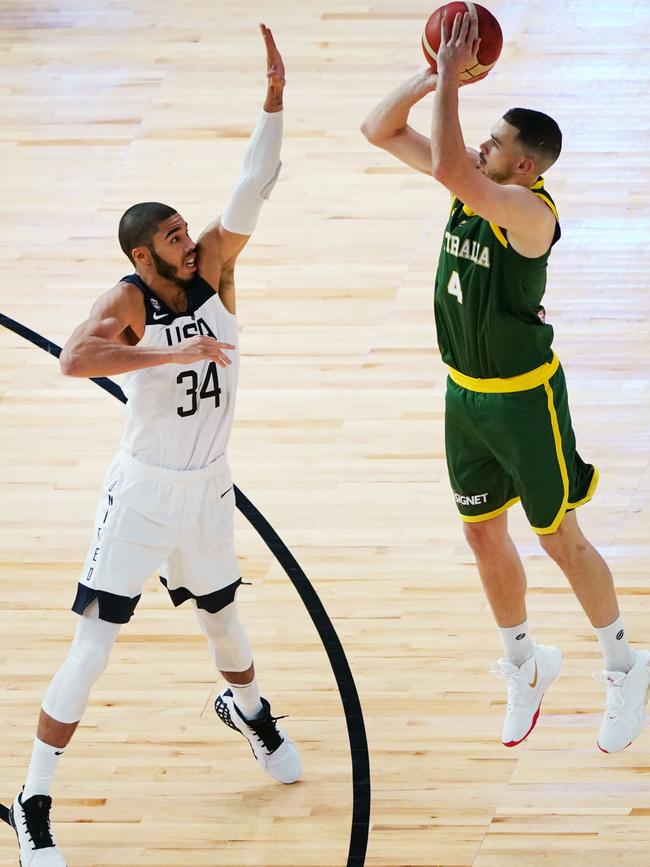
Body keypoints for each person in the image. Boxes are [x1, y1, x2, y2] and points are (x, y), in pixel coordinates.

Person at [9, 24, 301, 867]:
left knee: (229, 631)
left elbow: (253, 185)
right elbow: (74, 358)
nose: (189, 237)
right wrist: (173, 351)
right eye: (173, 235)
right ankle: (34, 800)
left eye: (185, 228)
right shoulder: (130, 299)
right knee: (92, 649)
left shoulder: (214, 269)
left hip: (207, 486)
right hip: (140, 493)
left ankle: (246, 712)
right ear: (142, 255)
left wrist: (273, 101)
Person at [361, 12, 649, 753]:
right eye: (484, 136)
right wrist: (434, 75)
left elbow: (453, 163)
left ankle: (624, 663)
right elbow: (378, 129)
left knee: (560, 538)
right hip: (464, 395)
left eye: (498, 143)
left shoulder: (524, 213)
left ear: (527, 167)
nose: (483, 145)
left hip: (525, 398)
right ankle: (525, 662)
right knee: (482, 533)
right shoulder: (473, 185)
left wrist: (453, 86)